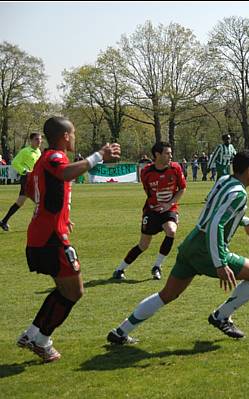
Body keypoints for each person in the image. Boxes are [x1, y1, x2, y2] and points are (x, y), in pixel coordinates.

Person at [106, 150, 249, 345]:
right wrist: (220, 263)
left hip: (191, 242)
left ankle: (121, 331)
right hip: (207, 249)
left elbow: (213, 206)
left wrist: (245, 222)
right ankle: (221, 316)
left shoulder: (224, 180)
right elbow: (216, 224)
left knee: (167, 294)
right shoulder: (239, 193)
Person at [17, 116, 120, 362]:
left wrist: (59, 214)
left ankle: (32, 334)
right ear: (65, 136)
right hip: (50, 238)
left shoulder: (43, 160)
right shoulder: (55, 157)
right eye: (72, 134)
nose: (74, 137)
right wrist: (98, 156)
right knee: (74, 290)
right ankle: (41, 341)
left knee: (64, 289)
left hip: (45, 234)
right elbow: (63, 173)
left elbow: (32, 190)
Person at [112, 142, 187, 281]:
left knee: (171, 231)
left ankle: (157, 266)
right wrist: (157, 205)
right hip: (151, 211)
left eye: (171, 153)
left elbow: (182, 188)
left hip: (169, 209)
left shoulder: (176, 168)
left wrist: (169, 204)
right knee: (143, 245)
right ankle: (119, 269)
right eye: (167, 153)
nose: (171, 156)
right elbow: (148, 192)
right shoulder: (146, 172)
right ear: (157, 155)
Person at [0, 132, 43, 232]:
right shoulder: (25, 151)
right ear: (31, 141)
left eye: (40, 139)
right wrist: (24, 171)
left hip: (34, 179)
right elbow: (15, 162)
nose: (39, 141)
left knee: (20, 202)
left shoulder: (38, 152)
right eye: (37, 139)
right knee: (40, 202)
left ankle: (4, 221)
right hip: (27, 179)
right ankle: (38, 225)